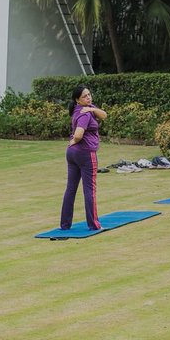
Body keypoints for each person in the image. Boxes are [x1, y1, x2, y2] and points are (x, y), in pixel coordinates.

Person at [60, 84, 108, 231]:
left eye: (89, 94)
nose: (88, 97)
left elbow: (104, 115)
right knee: (89, 190)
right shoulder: (85, 114)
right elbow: (79, 134)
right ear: (77, 100)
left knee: (71, 189)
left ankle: (65, 225)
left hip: (72, 154)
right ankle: (94, 224)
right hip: (85, 154)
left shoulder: (84, 109)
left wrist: (92, 108)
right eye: (84, 96)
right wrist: (74, 140)